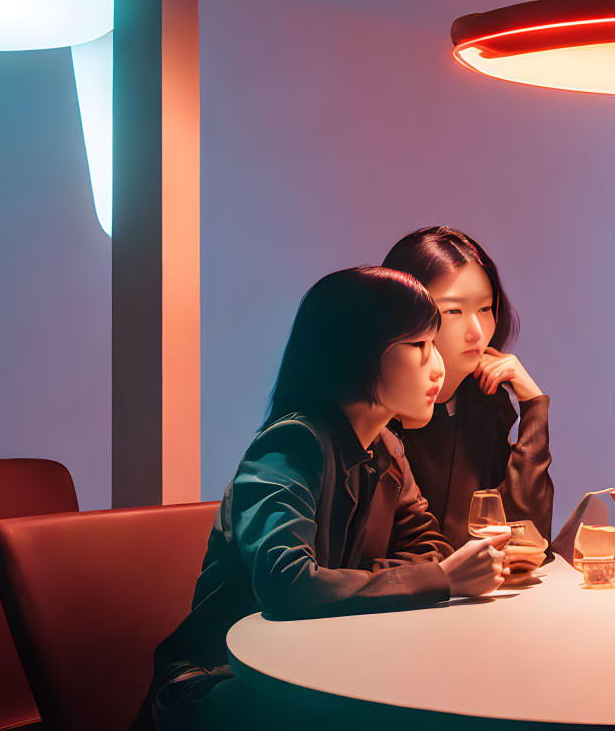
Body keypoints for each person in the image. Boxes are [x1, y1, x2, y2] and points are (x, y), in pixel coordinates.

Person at [137, 267, 507, 730]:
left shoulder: (388, 448)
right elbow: (287, 584)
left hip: (313, 667)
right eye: (419, 346)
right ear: (360, 352)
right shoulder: (293, 443)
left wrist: (350, 580)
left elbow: (431, 548)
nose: (438, 366)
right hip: (218, 683)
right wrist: (437, 580)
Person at [382, 227, 553, 547]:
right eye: (453, 311)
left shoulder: (483, 404)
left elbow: (528, 542)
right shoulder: (375, 420)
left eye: (485, 309)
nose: (476, 332)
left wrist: (533, 405)